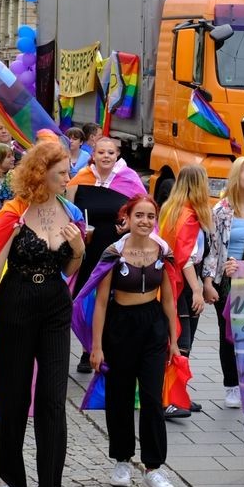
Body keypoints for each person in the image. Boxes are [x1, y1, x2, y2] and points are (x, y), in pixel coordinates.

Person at [0, 141, 85, 487]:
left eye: (68, 172)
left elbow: (70, 269)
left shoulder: (71, 211)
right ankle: (11, 480)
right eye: (62, 172)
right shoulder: (14, 212)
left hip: (54, 308)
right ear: (40, 172)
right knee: (13, 397)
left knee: (52, 400)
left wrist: (77, 247)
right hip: (15, 304)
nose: (68, 178)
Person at [74, 194, 180, 487]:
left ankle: (153, 468)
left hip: (152, 326)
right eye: (139, 216)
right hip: (120, 326)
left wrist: (173, 340)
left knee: (151, 397)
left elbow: (170, 298)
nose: (145, 221)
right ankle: (121, 460)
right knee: (120, 396)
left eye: (150, 216)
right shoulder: (114, 252)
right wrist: (96, 346)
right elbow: (101, 303)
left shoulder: (163, 249)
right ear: (127, 218)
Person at [66, 137, 147, 374]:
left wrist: (130, 225)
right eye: (101, 152)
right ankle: (85, 348)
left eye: (110, 153)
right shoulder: (80, 179)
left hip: (115, 252)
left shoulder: (129, 179)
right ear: (94, 154)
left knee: (111, 301)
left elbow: (144, 211)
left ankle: (105, 349)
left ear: (117, 154)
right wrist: (76, 231)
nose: (106, 157)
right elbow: (68, 211)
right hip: (86, 251)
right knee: (84, 300)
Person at [202, 156, 244, 410]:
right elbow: (213, 249)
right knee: (229, 335)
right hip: (228, 281)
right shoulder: (221, 211)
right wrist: (208, 282)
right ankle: (231, 385)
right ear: (237, 177)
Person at [158, 165, 213, 418]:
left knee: (181, 340)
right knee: (180, 341)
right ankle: (168, 398)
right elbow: (186, 257)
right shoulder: (188, 216)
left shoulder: (174, 209)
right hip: (180, 284)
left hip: (175, 281)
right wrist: (197, 289)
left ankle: (179, 394)